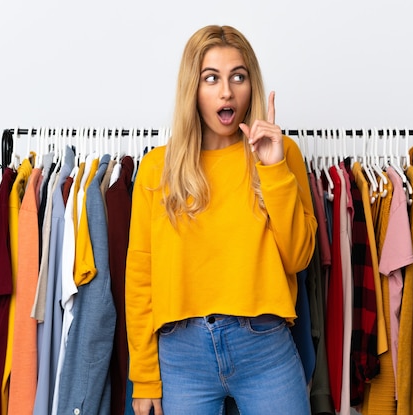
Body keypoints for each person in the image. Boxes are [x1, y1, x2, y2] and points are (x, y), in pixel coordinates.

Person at [125, 25, 318, 415]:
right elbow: (140, 277)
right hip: (182, 357)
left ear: (252, 86)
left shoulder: (282, 154)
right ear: (192, 89)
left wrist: (274, 167)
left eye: (238, 77)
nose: (226, 91)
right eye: (211, 78)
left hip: (264, 347)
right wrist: (145, 375)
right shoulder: (157, 168)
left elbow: (299, 258)